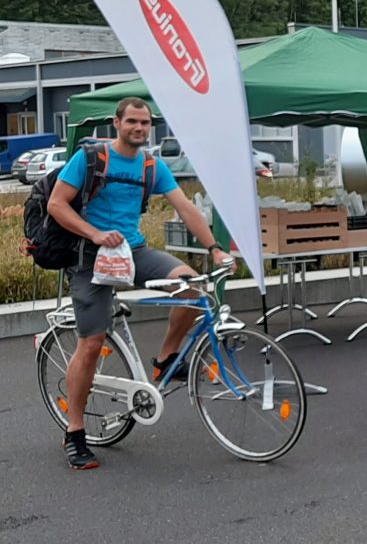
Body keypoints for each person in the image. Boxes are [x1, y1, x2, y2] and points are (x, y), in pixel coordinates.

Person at [47, 97, 232, 470]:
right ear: (117, 123)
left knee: (191, 287)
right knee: (92, 343)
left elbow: (186, 208)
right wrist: (96, 234)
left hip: (133, 253)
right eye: (132, 121)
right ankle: (75, 431)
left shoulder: (151, 165)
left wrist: (213, 248)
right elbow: (57, 204)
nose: (139, 129)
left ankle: (165, 359)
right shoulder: (91, 158)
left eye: (145, 123)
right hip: (90, 257)